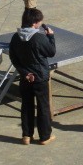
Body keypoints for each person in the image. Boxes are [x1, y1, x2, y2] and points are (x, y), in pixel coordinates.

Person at [9, 8, 56, 145]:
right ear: (34, 23)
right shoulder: (39, 38)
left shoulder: (15, 37)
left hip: (26, 78)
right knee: (43, 107)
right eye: (40, 22)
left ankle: (27, 135)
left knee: (26, 105)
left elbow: (13, 58)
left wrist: (25, 73)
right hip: (40, 77)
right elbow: (51, 52)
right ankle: (45, 136)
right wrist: (51, 37)